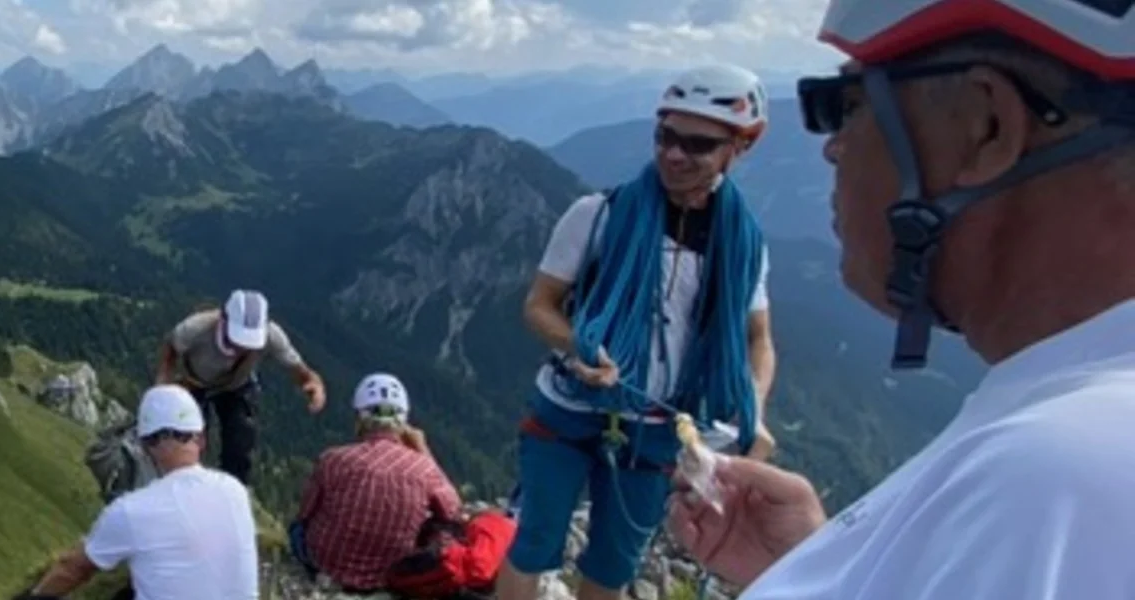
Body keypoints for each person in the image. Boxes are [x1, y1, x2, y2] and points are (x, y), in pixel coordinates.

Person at [665, 1, 1135, 598]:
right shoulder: (1077, 448)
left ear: (986, 126)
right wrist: (825, 568)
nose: (832, 147)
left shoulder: (1047, 486)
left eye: (846, 105)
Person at [496, 63, 780, 600]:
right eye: (665, 136)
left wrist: (754, 409)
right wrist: (577, 347)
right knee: (534, 540)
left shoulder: (743, 245)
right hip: (570, 404)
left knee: (615, 561)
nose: (674, 154)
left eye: (697, 144)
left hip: (658, 425)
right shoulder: (596, 215)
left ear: (742, 146)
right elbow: (539, 306)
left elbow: (757, 339)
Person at [25, 384, 260, 600]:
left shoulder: (133, 510)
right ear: (201, 439)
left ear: (147, 446)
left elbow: (73, 569)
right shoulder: (235, 490)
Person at [290, 373, 463, 592]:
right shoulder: (424, 469)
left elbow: (304, 515)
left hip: (327, 568)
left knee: (297, 529)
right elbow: (454, 511)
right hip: (391, 577)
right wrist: (423, 450)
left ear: (359, 418)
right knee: (439, 526)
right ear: (404, 422)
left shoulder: (332, 459)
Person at [155, 288, 327, 487]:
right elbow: (170, 349)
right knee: (189, 442)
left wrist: (314, 386)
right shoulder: (196, 328)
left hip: (236, 386)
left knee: (240, 444)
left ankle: (232, 490)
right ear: (224, 320)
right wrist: (164, 384)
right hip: (194, 383)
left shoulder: (271, 335)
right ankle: (185, 486)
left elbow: (301, 371)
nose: (242, 348)